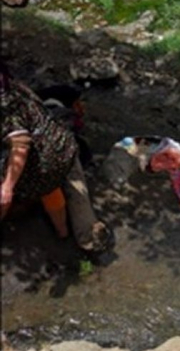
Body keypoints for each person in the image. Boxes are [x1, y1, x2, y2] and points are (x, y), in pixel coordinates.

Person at [1, 64, 111, 255]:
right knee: (73, 191)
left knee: (32, 185)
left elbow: (20, 146)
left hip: (41, 162)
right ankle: (79, 236)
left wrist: (7, 186)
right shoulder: (17, 87)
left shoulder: (5, 106)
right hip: (65, 146)